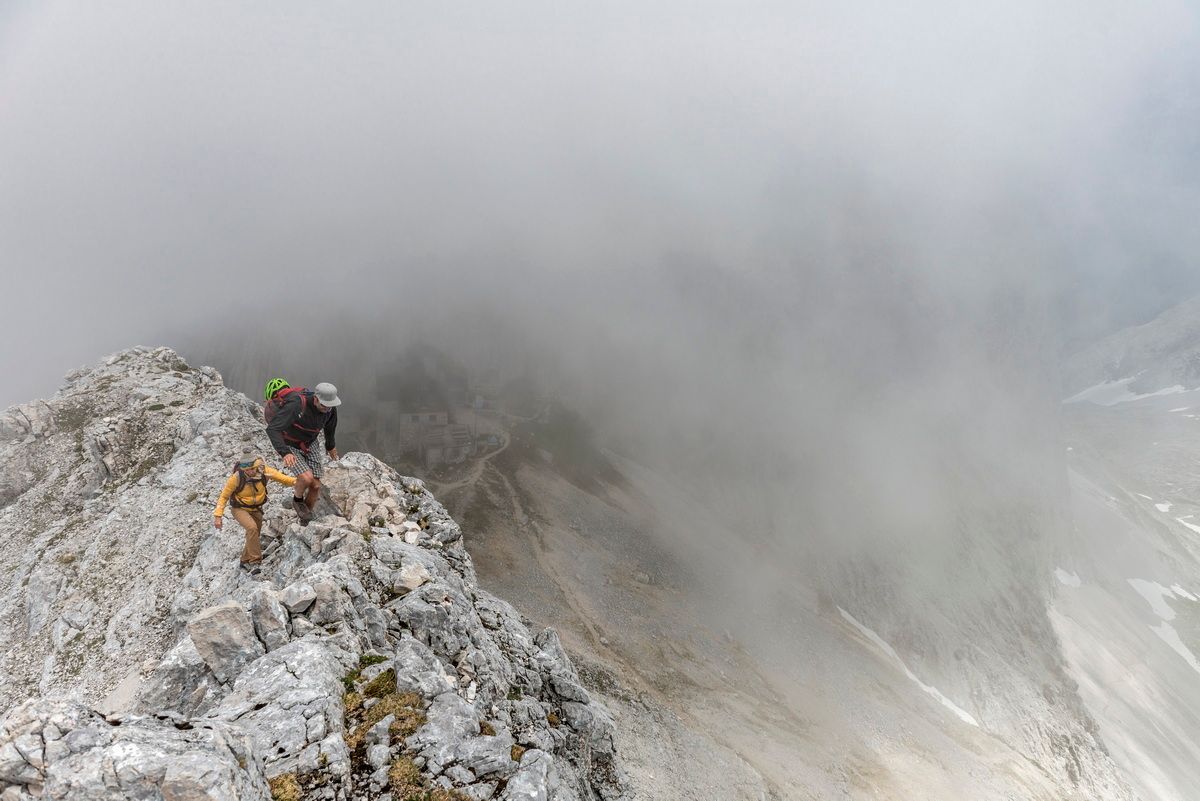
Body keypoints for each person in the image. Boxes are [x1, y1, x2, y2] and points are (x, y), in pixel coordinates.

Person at [266, 381, 341, 524]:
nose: (327, 409)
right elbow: (273, 429)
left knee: (316, 486)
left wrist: (330, 446)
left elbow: (330, 427)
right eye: (324, 405)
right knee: (306, 478)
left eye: (330, 406)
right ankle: (297, 500)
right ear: (316, 399)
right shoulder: (296, 405)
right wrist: (285, 452)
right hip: (290, 445)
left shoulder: (330, 409)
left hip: (310, 443)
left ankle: (305, 519)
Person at [213, 448, 296, 572]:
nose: (250, 472)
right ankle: (255, 562)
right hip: (239, 508)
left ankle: (244, 560)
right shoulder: (236, 478)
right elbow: (224, 496)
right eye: (246, 470)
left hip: (256, 508)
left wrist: (298, 481)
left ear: (256, 465)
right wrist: (218, 516)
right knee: (252, 528)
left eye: (251, 469)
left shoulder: (264, 471)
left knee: (254, 534)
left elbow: (282, 478)